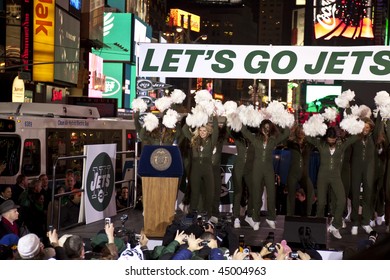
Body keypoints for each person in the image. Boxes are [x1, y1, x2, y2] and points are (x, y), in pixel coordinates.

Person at [306, 126, 360, 239]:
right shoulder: (321, 144)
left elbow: (355, 137)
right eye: (329, 139)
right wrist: (314, 126)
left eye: (333, 139)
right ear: (326, 138)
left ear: (336, 138)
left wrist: (357, 126)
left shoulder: (341, 145)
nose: (331, 141)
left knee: (341, 200)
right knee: (321, 203)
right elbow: (307, 136)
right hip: (322, 176)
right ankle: (318, 226)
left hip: (336, 176)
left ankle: (335, 226)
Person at [241, 119, 290, 230]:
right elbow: (244, 130)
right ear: (261, 128)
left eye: (268, 127)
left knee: (272, 193)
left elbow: (286, 133)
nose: (266, 129)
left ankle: (271, 218)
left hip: (269, 169)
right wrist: (246, 116)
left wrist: (282, 119)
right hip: (257, 169)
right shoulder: (255, 138)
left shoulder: (274, 140)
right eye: (265, 127)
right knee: (257, 194)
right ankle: (256, 220)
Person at [181, 116, 218, 218]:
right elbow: (184, 129)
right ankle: (192, 215)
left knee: (210, 193)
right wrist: (192, 118)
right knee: (195, 194)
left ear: (208, 131)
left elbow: (216, 130)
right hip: (196, 169)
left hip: (207, 168)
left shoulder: (212, 141)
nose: (202, 132)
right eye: (200, 130)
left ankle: (208, 215)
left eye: (204, 130)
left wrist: (214, 116)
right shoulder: (194, 139)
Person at [350, 117, 377, 235]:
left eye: (367, 127)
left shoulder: (374, 138)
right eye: (363, 127)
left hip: (369, 170)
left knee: (368, 195)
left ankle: (366, 222)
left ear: (370, 129)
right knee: (355, 195)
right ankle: (355, 222)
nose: (365, 130)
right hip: (356, 168)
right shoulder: (356, 137)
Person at [286, 124, 315, 217]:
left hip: (304, 175)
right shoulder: (291, 143)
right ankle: (290, 216)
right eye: (299, 131)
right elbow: (284, 139)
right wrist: (290, 131)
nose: (300, 133)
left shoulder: (309, 144)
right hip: (293, 174)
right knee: (291, 195)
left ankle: (307, 215)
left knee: (310, 191)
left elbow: (317, 140)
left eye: (302, 131)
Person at [228, 127, 254, 229]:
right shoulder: (239, 139)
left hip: (249, 169)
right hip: (238, 168)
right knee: (238, 192)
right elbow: (228, 130)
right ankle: (236, 218)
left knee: (253, 192)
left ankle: (249, 215)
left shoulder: (254, 140)